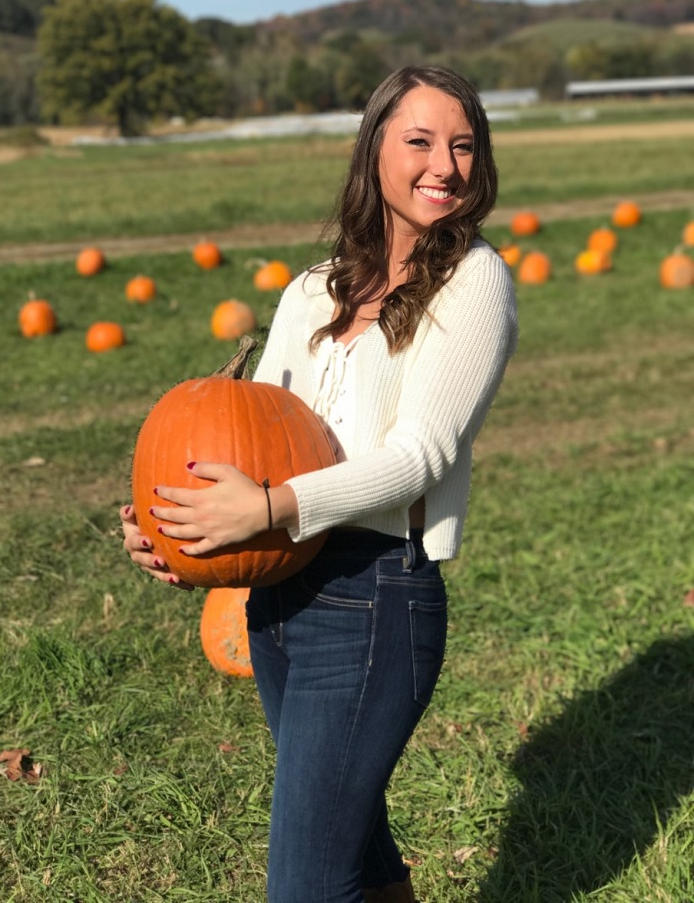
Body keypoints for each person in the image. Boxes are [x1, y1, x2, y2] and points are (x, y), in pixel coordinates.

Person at [121, 65, 518, 903]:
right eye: (419, 140)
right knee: (356, 849)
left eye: (462, 145)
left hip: (374, 602)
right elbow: (247, 433)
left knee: (306, 883)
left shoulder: (473, 280)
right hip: (278, 594)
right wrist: (171, 527)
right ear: (373, 148)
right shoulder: (312, 291)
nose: (443, 164)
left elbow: (421, 456)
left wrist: (268, 509)